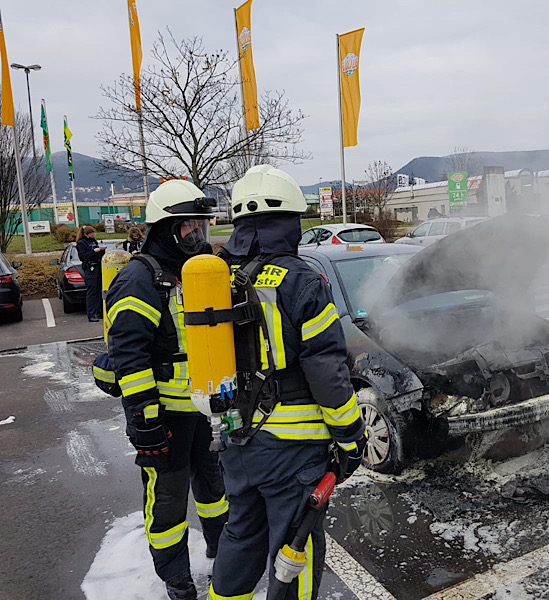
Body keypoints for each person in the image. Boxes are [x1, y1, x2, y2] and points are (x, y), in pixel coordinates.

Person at [208, 164, 368, 600]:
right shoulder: (300, 281)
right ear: (292, 222)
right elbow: (327, 371)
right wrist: (351, 437)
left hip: (235, 437)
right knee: (297, 544)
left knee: (240, 534)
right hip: (292, 447)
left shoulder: (215, 276)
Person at [106, 180, 228, 600]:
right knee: (169, 500)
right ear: (163, 230)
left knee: (213, 488)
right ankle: (176, 579)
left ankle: (221, 551)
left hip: (201, 408)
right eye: (188, 227)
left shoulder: (195, 274)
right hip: (164, 418)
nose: (197, 236)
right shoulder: (139, 279)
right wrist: (145, 421)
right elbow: (129, 355)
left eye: (201, 227)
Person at [75, 225, 105, 322]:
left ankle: (100, 312)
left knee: (99, 290)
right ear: (86, 234)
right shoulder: (81, 243)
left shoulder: (94, 241)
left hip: (98, 267)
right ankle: (91, 314)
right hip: (90, 268)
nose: (93, 234)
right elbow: (83, 257)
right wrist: (93, 251)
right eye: (92, 233)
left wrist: (101, 251)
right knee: (91, 291)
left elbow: (98, 254)